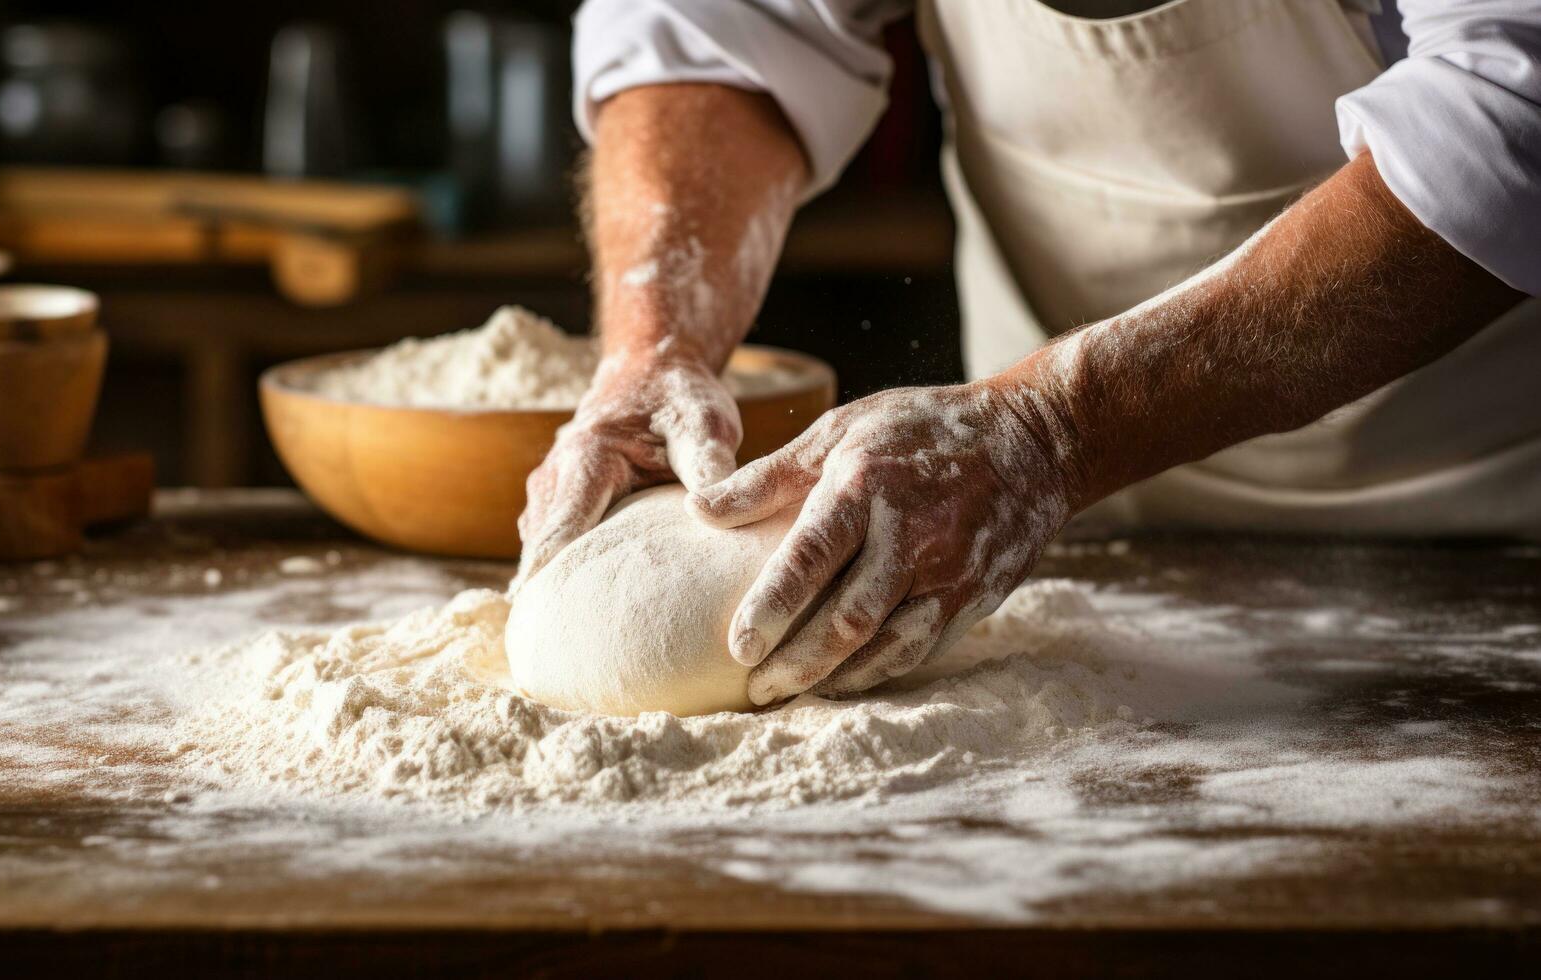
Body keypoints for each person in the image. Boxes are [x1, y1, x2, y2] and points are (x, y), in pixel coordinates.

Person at [518, 0, 1541, 707]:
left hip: (1478, 530)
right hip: (1030, 553)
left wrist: (1051, 428)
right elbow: (717, 24)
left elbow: (1511, 118)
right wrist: (658, 339)